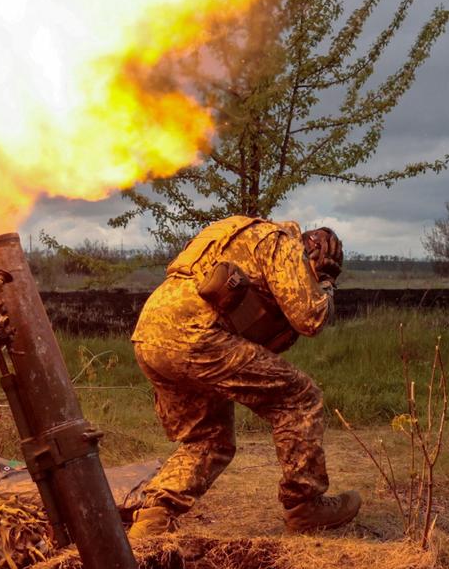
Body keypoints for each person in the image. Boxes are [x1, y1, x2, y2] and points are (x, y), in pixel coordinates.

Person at [124, 215, 361, 540]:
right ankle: (305, 505)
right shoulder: (281, 242)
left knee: (209, 439)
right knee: (299, 397)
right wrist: (325, 283)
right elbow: (310, 318)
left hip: (150, 335)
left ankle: (153, 518)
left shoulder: (236, 235)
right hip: (197, 335)